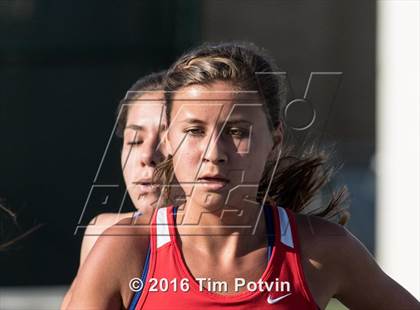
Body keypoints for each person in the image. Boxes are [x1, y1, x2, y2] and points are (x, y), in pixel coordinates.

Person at [63, 42, 420, 309]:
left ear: (275, 141)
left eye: (236, 131)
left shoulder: (322, 251)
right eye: (194, 131)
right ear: (169, 141)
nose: (214, 154)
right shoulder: (127, 249)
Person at [61, 71, 169, 309]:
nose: (148, 156)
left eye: (168, 138)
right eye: (135, 140)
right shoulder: (104, 233)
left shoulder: (261, 237)